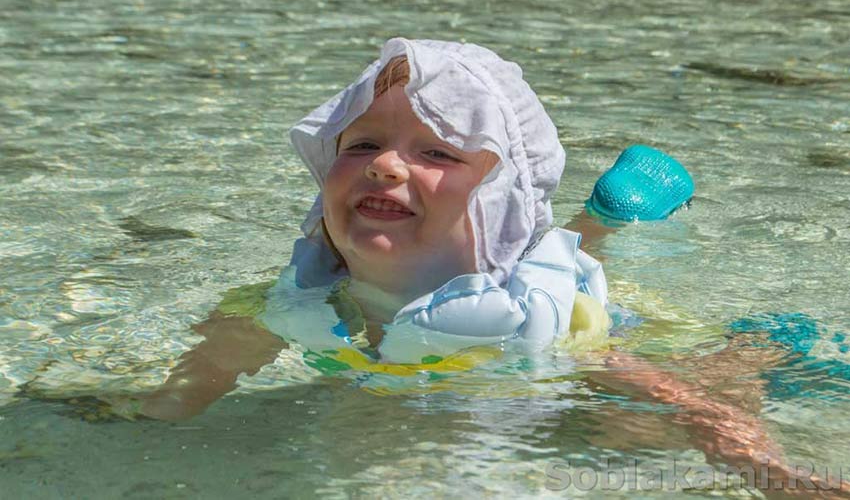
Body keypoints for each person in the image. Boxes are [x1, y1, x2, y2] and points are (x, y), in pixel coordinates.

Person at [132, 38, 844, 497]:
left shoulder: (543, 323)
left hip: (591, 329)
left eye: (437, 153)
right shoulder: (300, 296)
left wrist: (772, 471)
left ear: (501, 187)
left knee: (638, 427)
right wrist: (152, 412)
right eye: (361, 145)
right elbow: (218, 358)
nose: (384, 163)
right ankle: (596, 220)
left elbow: (680, 406)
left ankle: (618, 228)